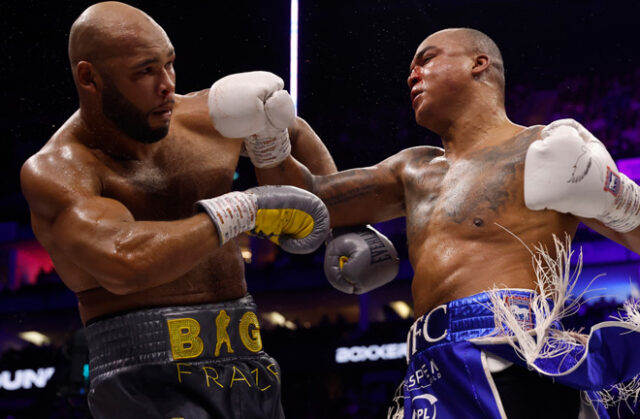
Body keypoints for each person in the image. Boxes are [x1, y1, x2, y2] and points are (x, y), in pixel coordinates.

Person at [217, 28, 640, 418]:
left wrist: (620, 199)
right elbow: (305, 202)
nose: (412, 74)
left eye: (426, 59)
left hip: (513, 355)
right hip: (427, 369)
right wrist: (270, 138)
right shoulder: (413, 170)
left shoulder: (542, 149)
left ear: (479, 64)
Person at [17, 2, 395, 418]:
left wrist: (341, 225)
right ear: (89, 77)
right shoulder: (58, 170)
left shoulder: (206, 118)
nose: (166, 85)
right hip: (146, 380)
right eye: (145, 71)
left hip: (248, 363)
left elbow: (288, 126)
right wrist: (241, 209)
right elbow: (123, 261)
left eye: (170, 64)